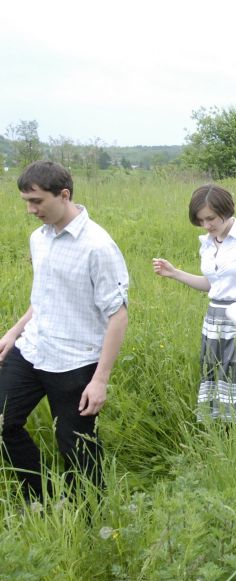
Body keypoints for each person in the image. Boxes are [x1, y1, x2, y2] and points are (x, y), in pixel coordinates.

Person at [1, 161, 129, 501]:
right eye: (26, 202)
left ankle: (90, 519)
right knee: (2, 424)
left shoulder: (98, 246)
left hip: (75, 361)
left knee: (76, 447)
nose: (30, 210)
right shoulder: (38, 239)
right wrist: (14, 333)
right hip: (32, 349)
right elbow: (45, 297)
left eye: (37, 201)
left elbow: (118, 315)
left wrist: (99, 380)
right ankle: (39, 498)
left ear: (64, 195)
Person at [152, 184, 236, 423]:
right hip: (214, 321)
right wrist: (175, 273)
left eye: (210, 218)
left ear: (226, 210)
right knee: (218, 377)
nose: (206, 225)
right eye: (200, 220)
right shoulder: (207, 243)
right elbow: (213, 285)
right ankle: (225, 434)